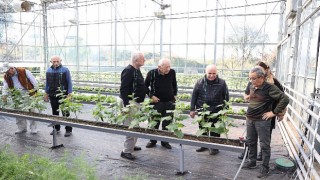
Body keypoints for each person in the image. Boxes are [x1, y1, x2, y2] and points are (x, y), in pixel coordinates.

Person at [242, 67, 289, 178]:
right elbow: (247, 95)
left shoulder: (270, 88)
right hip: (250, 118)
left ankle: (265, 167)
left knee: (264, 144)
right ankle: (252, 162)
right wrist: (248, 96)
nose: (251, 81)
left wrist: (274, 112)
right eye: (250, 78)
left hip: (262, 121)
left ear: (262, 77)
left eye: (253, 78)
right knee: (251, 141)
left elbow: (285, 99)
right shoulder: (251, 85)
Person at [239, 61, 284, 160]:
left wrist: (278, 113)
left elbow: (282, 98)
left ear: (266, 70)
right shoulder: (252, 82)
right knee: (251, 137)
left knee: (265, 139)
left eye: (260, 69)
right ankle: (249, 155)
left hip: (267, 113)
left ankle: (262, 157)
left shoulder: (273, 83)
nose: (252, 79)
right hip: (254, 114)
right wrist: (248, 97)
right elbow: (246, 93)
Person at [189, 64, 229, 155]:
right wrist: (192, 109)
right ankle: (204, 145)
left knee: (215, 129)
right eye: (209, 73)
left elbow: (226, 97)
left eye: (214, 73)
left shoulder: (222, 83)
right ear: (205, 72)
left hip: (216, 110)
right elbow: (194, 96)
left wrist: (225, 110)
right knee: (203, 128)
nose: (211, 75)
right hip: (202, 110)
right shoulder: (199, 82)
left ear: (217, 72)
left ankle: (214, 147)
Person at [144, 58, 177, 149]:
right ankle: (153, 140)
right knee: (154, 122)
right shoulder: (152, 73)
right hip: (157, 102)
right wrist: (151, 96)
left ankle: (165, 141)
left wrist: (175, 94)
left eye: (169, 67)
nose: (168, 69)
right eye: (166, 67)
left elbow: (174, 84)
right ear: (159, 67)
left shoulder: (172, 72)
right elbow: (145, 86)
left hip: (169, 102)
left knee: (167, 122)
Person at [120, 51, 147, 160]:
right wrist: (126, 107)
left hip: (136, 103)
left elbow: (141, 85)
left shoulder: (137, 70)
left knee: (135, 125)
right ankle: (126, 151)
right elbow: (124, 90)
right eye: (143, 58)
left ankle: (132, 146)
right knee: (130, 126)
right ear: (136, 60)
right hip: (130, 104)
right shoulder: (128, 71)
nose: (144, 60)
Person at [2, 63, 38, 134]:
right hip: (16, 94)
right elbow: (5, 86)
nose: (7, 73)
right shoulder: (6, 76)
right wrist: (4, 95)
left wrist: (35, 92)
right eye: (5, 72)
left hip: (28, 92)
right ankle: (22, 128)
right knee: (18, 111)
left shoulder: (24, 71)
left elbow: (34, 82)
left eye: (7, 71)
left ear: (12, 68)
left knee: (32, 110)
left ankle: (33, 128)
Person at [44, 55, 73, 137]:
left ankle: (68, 130)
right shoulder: (48, 71)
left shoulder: (65, 70)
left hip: (63, 94)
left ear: (60, 61)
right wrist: (46, 93)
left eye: (57, 61)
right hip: (52, 94)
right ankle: (56, 129)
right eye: (54, 61)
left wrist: (69, 93)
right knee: (54, 112)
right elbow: (47, 83)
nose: (56, 63)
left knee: (65, 112)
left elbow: (69, 82)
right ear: (51, 62)